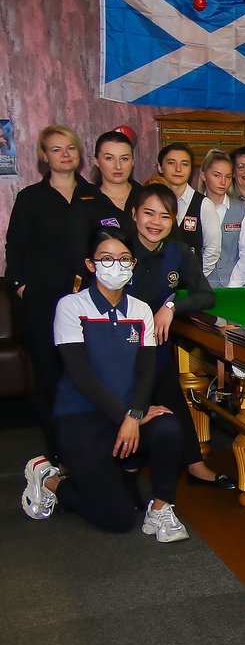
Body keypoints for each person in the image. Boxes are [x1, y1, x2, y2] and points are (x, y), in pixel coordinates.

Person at [21, 227, 189, 541]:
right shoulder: (71, 308)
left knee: (168, 426)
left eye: (124, 259)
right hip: (81, 418)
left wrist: (136, 413)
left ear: (134, 264)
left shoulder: (141, 311)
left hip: (126, 416)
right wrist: (128, 416)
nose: (117, 265)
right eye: (106, 259)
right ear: (90, 264)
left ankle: (160, 509)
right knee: (119, 518)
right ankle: (51, 481)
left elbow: (146, 371)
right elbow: (81, 375)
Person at [125, 186, 228, 488]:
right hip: (118, 349)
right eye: (148, 213)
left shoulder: (178, 251)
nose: (155, 222)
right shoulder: (119, 247)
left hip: (156, 346)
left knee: (170, 395)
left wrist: (171, 306)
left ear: (173, 221)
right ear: (134, 214)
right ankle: (127, 466)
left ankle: (194, 464)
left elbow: (206, 296)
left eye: (164, 216)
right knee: (139, 401)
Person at [5, 125, 96, 465]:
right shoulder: (30, 197)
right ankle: (58, 452)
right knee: (49, 376)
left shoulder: (93, 195)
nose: (64, 154)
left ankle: (89, 448)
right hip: (43, 300)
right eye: (56, 149)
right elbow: (15, 246)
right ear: (45, 156)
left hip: (88, 299)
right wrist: (19, 286)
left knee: (87, 373)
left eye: (70, 147)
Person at [157, 142, 219, 276]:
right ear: (160, 167)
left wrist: (196, 278)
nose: (178, 169)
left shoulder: (204, 204)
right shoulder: (149, 203)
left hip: (190, 286)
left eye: (184, 164)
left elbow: (212, 250)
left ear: (191, 169)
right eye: (171, 163)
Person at [200, 149, 245, 288]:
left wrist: (232, 287)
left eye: (228, 177)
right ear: (203, 175)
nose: (223, 182)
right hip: (202, 287)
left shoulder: (242, 210)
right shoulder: (194, 209)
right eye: (217, 175)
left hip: (236, 287)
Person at [86, 130, 140, 238]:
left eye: (124, 159)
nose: (118, 166)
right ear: (96, 161)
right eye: (109, 158)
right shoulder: (85, 202)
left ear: (133, 161)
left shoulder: (147, 197)